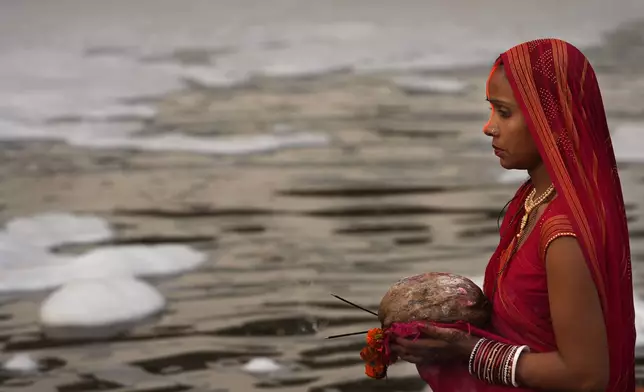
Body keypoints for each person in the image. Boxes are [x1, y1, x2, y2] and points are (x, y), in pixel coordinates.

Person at [390, 38, 635, 392]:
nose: (489, 127)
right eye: (491, 111)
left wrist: (468, 349)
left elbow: (586, 376)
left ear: (550, 118)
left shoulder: (562, 235)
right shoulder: (532, 200)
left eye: (503, 112)